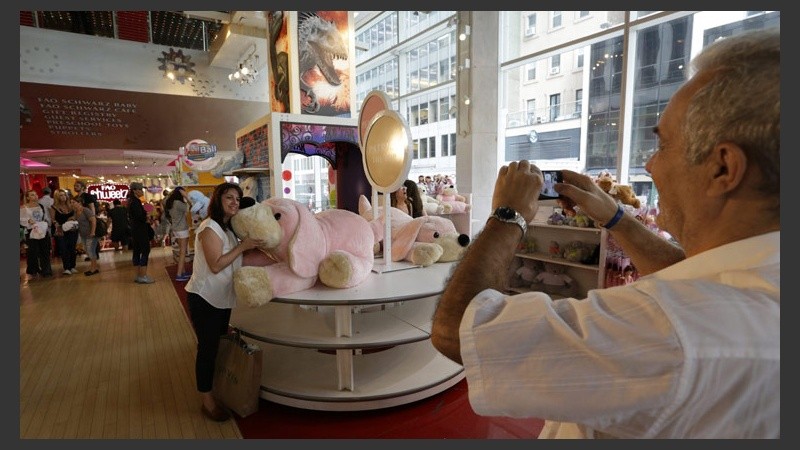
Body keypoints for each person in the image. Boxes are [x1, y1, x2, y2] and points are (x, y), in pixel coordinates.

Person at [430, 29, 779, 439]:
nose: (650, 167)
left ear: (723, 168)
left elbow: (457, 330)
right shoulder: (757, 284)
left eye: (663, 146)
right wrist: (612, 216)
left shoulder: (668, 329)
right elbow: (692, 276)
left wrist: (508, 215)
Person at [184, 182, 263, 422]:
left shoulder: (228, 229)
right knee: (207, 349)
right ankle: (207, 400)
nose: (234, 203)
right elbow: (216, 265)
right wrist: (242, 247)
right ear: (218, 200)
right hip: (204, 297)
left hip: (221, 298)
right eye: (229, 198)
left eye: (237, 199)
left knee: (218, 345)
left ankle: (216, 388)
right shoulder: (210, 228)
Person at [20, 189, 53, 279]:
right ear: (27, 197)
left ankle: (46, 270)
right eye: (32, 195)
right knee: (32, 252)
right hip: (31, 231)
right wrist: (28, 221)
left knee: (45, 251)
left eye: (35, 194)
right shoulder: (24, 207)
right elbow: (21, 219)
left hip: (42, 230)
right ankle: (33, 269)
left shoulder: (41, 206)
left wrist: (46, 222)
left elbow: (45, 216)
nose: (35, 196)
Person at [127, 181, 155, 284]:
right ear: (134, 190)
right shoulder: (135, 202)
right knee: (145, 250)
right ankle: (142, 276)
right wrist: (146, 218)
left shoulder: (132, 201)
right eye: (140, 189)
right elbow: (143, 214)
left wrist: (143, 199)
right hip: (140, 229)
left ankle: (138, 275)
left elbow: (149, 208)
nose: (142, 191)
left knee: (137, 251)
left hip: (135, 229)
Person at [165, 186, 191, 281]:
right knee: (183, 253)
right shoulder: (178, 203)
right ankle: (179, 274)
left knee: (181, 252)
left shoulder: (170, 202)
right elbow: (191, 205)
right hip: (182, 229)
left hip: (176, 229)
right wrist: (186, 196)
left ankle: (183, 272)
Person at [51, 189, 79, 275]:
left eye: (64, 195)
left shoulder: (71, 205)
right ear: (57, 197)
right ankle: (66, 267)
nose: (63, 197)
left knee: (72, 248)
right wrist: (56, 224)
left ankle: (72, 266)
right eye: (61, 195)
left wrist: (73, 218)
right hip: (60, 229)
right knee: (63, 249)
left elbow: (77, 213)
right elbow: (53, 219)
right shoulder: (54, 207)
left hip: (72, 229)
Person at [70, 196, 99, 276]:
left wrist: (92, 232)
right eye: (71, 202)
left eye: (73, 202)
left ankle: (93, 269)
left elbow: (93, 221)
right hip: (83, 235)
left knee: (90, 251)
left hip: (90, 234)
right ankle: (94, 267)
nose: (72, 204)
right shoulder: (76, 212)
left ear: (79, 203)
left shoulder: (85, 210)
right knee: (88, 251)